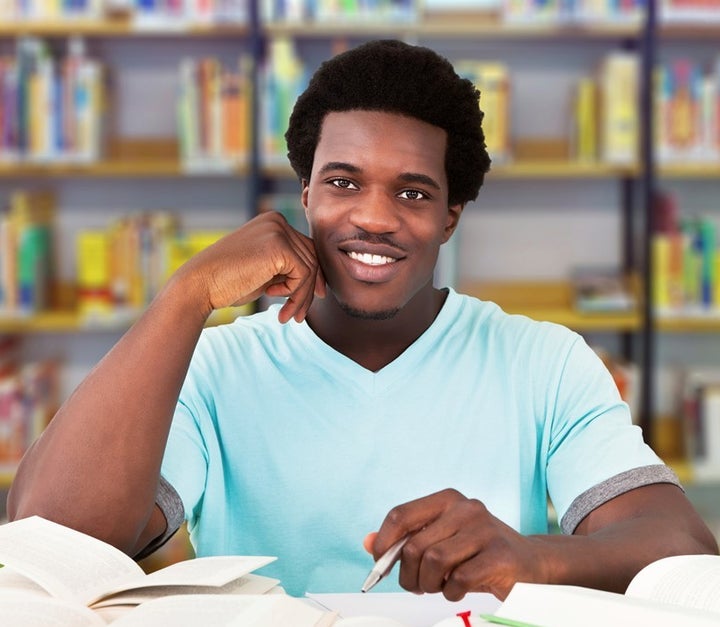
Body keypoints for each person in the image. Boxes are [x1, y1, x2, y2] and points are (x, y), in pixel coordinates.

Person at [7, 39, 717, 601]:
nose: (374, 217)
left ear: (450, 218)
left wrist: (533, 554)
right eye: (344, 182)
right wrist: (186, 295)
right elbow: (48, 539)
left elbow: (683, 546)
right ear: (306, 193)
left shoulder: (543, 360)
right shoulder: (212, 366)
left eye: (413, 192)